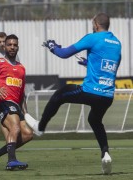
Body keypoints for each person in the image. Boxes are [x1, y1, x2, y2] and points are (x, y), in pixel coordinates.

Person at [27, 13, 121, 175]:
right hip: (107, 96)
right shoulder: (117, 43)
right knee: (94, 119)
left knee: (60, 94)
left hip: (91, 91)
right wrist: (88, 63)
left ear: (96, 25)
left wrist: (52, 47)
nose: (92, 26)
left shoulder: (92, 38)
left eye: (93, 24)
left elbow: (64, 54)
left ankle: (40, 127)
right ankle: (105, 153)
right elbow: (109, 68)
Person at [0, 34, 33, 171]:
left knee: (27, 135)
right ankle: (11, 161)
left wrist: (24, 111)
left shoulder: (21, 68)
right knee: (15, 127)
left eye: (15, 45)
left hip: (14, 104)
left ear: (18, 47)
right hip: (0, 102)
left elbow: (21, 93)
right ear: (5, 47)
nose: (12, 47)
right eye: (9, 45)